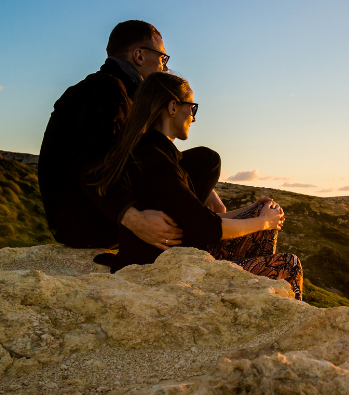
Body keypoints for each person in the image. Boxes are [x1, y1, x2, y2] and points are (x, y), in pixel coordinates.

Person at [91, 72, 304, 300]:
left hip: (170, 255)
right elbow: (205, 227)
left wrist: (252, 213)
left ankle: (254, 297)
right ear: (173, 107)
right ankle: (255, 301)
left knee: (263, 215)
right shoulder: (157, 161)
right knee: (289, 264)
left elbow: (193, 219)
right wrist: (262, 222)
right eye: (191, 108)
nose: (193, 117)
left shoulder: (153, 153)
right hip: (162, 271)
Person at [38, 20, 226, 249]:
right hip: (84, 223)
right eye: (162, 58)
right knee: (207, 160)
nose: (165, 67)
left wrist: (201, 189)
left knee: (202, 162)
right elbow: (88, 164)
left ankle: (194, 232)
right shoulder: (108, 90)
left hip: (84, 218)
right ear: (139, 56)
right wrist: (134, 219)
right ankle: (189, 237)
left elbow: (149, 155)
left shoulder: (121, 92)